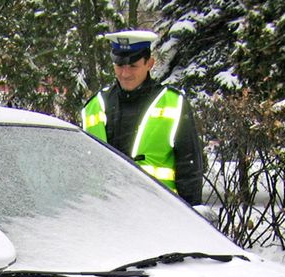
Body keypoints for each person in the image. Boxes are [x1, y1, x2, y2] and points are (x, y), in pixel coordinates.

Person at [82, 29, 204, 205]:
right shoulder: (94, 105)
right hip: (106, 214)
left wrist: (191, 217)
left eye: (133, 66)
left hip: (158, 213)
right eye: (119, 65)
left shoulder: (172, 102)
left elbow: (189, 170)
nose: (125, 73)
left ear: (150, 63)